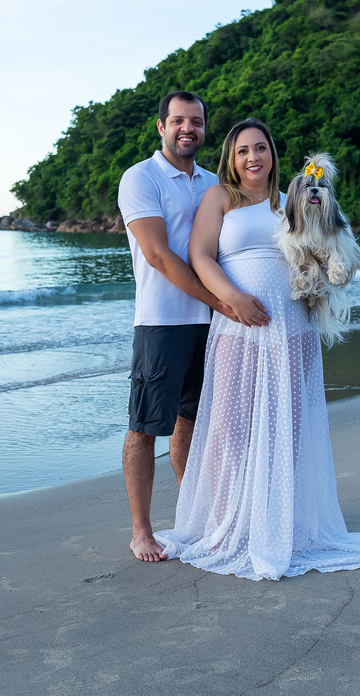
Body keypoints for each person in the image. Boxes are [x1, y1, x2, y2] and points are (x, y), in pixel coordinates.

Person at [154, 118, 360, 580]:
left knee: (288, 430)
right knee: (228, 431)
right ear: (230, 159)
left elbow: (329, 248)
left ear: (273, 154)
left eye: (260, 148)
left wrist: (331, 265)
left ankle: (278, 524)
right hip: (238, 326)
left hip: (292, 328)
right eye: (242, 151)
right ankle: (226, 524)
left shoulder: (294, 200)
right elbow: (200, 256)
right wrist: (230, 299)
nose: (252, 158)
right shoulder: (218, 198)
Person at [117, 91, 270, 563]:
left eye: (197, 122)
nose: (189, 129)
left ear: (205, 129)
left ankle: (193, 518)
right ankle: (141, 531)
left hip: (215, 328)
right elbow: (160, 256)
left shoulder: (213, 183)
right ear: (160, 127)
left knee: (193, 423)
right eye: (179, 121)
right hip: (163, 321)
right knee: (146, 427)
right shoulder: (140, 177)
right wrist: (223, 302)